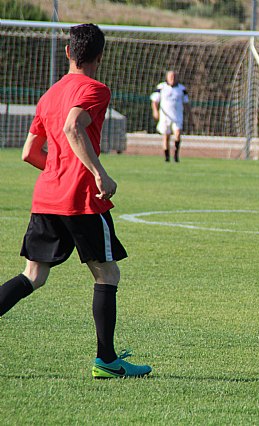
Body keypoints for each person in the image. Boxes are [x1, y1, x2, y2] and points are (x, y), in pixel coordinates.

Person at [0, 23, 152, 379]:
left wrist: (57, 167)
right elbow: (73, 126)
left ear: (68, 52)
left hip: (46, 196)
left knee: (33, 276)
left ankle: (108, 359)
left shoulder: (49, 94)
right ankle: (107, 360)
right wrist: (99, 173)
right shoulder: (96, 89)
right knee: (107, 273)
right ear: (100, 57)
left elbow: (28, 153)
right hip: (80, 198)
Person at [150, 70, 190, 162]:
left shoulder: (182, 89)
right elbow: (154, 101)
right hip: (165, 116)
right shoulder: (161, 87)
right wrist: (155, 111)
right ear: (167, 77)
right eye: (171, 77)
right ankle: (167, 157)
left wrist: (189, 114)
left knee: (178, 134)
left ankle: (176, 155)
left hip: (177, 116)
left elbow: (186, 103)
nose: (173, 78)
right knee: (166, 137)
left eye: (174, 77)